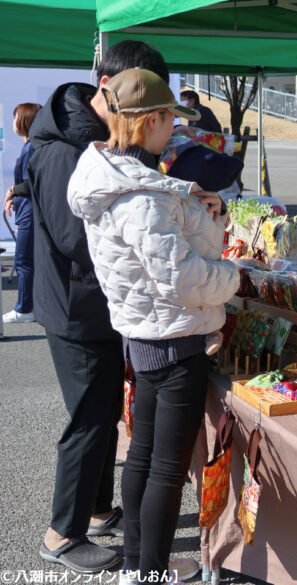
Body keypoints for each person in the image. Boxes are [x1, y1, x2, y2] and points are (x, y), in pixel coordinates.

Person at [27, 42, 198, 577]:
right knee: (90, 418)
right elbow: (77, 240)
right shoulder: (62, 149)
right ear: (108, 88)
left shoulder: (103, 139)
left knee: (106, 415)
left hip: (107, 308)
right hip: (75, 309)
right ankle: (61, 533)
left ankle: (99, 510)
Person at [67, 68, 240, 584]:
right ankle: (150, 572)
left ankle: (140, 566)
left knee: (143, 455)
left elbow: (170, 252)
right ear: (151, 122)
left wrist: (212, 213)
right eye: (170, 121)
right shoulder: (143, 196)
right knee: (164, 466)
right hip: (174, 337)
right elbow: (183, 279)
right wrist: (234, 276)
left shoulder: (110, 176)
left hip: (143, 333)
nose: (176, 132)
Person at [3, 102, 42, 324]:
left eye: (15, 117)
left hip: (30, 210)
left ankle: (25, 308)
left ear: (25, 121)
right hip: (27, 208)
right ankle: (30, 306)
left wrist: (12, 191)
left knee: (24, 260)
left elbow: (30, 183)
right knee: (28, 259)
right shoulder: (31, 146)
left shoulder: (31, 147)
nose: (13, 122)